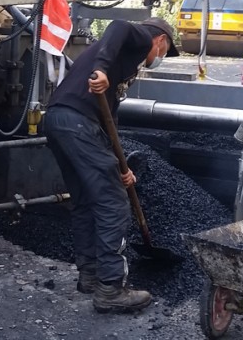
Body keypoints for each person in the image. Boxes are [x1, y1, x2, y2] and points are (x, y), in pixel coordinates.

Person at [43, 17, 178, 314]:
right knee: (113, 204)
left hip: (59, 121)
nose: (161, 57)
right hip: (78, 123)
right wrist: (102, 69)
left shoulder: (123, 64)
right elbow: (119, 25)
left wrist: (121, 168)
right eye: (165, 51)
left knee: (85, 202)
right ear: (160, 41)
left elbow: (108, 126)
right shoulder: (139, 40)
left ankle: (90, 275)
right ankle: (111, 289)